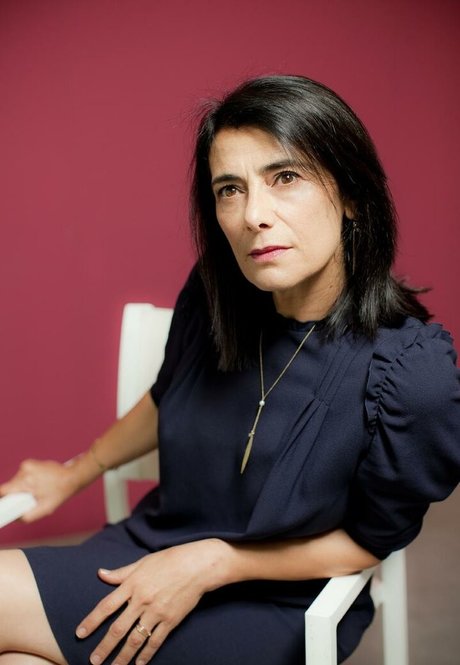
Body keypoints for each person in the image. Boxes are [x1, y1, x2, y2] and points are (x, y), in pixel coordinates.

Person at [0, 74, 459, 665]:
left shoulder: (412, 373)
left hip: (282, 600)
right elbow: (170, 396)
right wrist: (73, 473)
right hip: (153, 546)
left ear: (351, 194)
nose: (253, 215)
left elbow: (370, 541)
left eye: (285, 178)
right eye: (230, 189)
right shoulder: (218, 294)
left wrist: (216, 561)